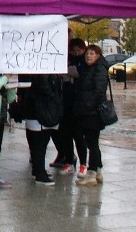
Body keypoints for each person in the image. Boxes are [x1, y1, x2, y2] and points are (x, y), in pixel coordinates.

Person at [74, 43, 109, 186]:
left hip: (92, 113)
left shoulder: (99, 69)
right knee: (92, 142)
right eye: (87, 53)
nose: (89, 56)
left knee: (92, 143)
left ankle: (92, 173)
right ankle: (98, 171)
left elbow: (99, 92)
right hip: (87, 111)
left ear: (98, 56)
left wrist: (87, 106)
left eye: (92, 53)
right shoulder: (88, 68)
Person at [51, 37, 86, 176]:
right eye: (74, 50)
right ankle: (69, 160)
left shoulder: (84, 62)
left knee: (79, 136)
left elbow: (78, 72)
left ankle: (83, 163)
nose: (76, 53)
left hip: (78, 105)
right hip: (65, 103)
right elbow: (63, 73)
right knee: (65, 134)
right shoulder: (68, 59)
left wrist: (69, 72)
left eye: (79, 50)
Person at [22, 72, 63, 186]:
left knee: (37, 143)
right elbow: (44, 86)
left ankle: (38, 170)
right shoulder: (43, 72)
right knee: (40, 143)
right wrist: (53, 97)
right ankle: (40, 173)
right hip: (41, 111)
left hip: (36, 109)